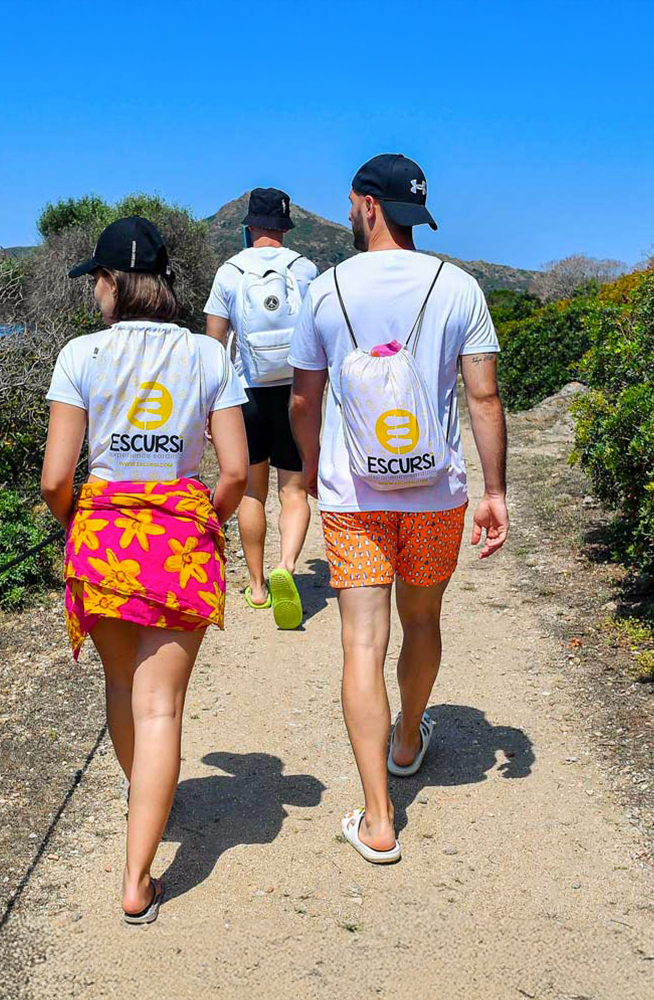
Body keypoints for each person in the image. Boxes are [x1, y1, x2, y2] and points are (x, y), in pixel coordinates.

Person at [287, 154, 509, 864]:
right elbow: (483, 397)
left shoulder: (325, 291)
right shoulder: (460, 287)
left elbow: (304, 397)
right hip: (436, 493)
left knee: (361, 645)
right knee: (422, 620)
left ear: (365, 205)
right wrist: (496, 491)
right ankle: (409, 737)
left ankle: (379, 819)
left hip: (354, 496)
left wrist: (309, 473)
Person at [39, 216, 249, 922]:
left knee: (123, 684)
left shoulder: (81, 356)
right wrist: (205, 524)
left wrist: (78, 521)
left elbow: (54, 478)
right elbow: (237, 472)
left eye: (95, 282)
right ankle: (137, 880)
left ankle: (144, 798)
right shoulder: (207, 358)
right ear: (163, 281)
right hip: (180, 540)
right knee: (162, 705)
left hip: (101, 539)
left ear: (107, 282)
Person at [204, 187, 320, 630]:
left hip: (245, 394)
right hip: (295, 394)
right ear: (286, 227)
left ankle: (256, 586)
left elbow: (214, 345)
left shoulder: (229, 273)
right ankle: (287, 567)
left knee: (253, 491)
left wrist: (209, 410)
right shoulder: (306, 270)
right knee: (293, 490)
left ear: (250, 226)